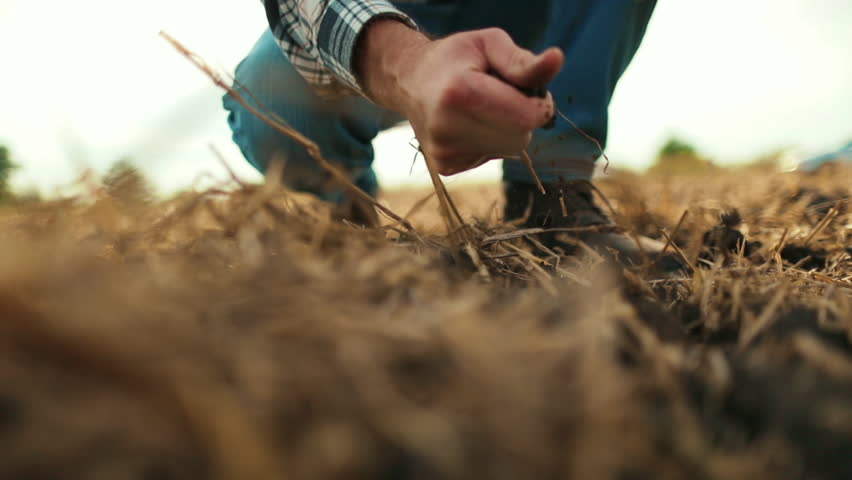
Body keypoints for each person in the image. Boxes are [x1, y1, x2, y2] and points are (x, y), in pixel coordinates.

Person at [224, 0, 663, 260]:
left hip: (535, 13)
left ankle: (554, 198)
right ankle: (343, 220)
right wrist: (404, 62)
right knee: (268, 94)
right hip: (383, 12)